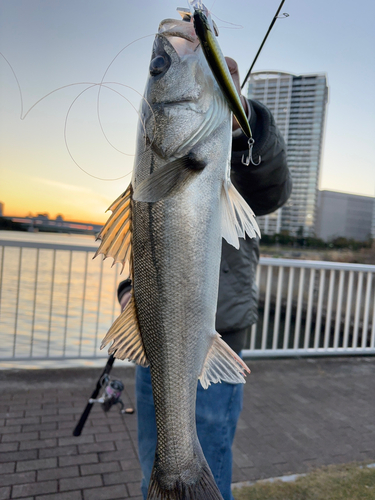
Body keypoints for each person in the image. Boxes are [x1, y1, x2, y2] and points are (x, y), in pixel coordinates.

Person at [118, 58, 291, 500]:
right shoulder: (154, 167)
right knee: (153, 473)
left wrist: (242, 121)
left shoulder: (234, 156)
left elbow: (274, 188)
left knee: (206, 466)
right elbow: (142, 242)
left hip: (219, 337)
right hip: (151, 337)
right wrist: (126, 292)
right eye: (158, 66)